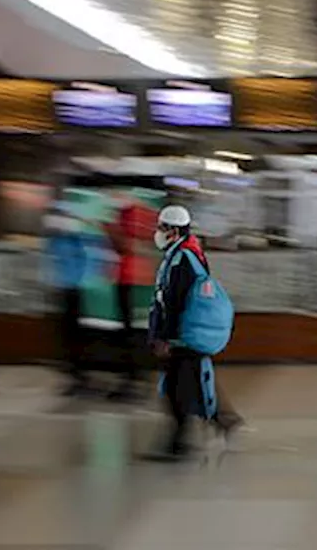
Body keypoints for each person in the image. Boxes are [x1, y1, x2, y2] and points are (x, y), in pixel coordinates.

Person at [147, 205, 241, 460]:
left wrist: (164, 337)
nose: (158, 232)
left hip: (183, 335)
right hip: (186, 333)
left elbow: (174, 302)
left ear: (174, 230)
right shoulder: (186, 253)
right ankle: (222, 421)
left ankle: (181, 443)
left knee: (179, 390)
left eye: (162, 228)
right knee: (189, 385)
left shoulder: (182, 259)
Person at [105, 190, 156, 401]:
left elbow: (126, 246)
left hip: (130, 279)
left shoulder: (131, 214)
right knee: (135, 331)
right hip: (138, 278)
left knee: (130, 333)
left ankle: (133, 381)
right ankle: (137, 379)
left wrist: (110, 229)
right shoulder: (145, 213)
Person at [43, 203, 96, 397]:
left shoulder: (76, 238)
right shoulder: (56, 239)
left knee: (75, 336)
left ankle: (81, 376)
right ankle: (75, 375)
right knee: (66, 336)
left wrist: (81, 280)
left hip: (74, 290)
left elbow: (87, 261)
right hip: (63, 289)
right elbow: (50, 262)